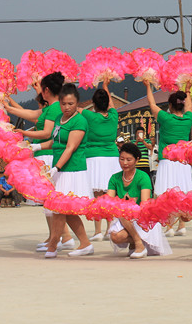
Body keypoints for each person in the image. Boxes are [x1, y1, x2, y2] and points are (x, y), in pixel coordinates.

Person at [11, 72, 73, 250]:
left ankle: (62, 237)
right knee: (47, 201)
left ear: (46, 90)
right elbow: (31, 114)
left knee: (50, 199)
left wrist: (24, 133)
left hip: (47, 154)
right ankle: (57, 236)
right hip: (43, 153)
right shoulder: (51, 107)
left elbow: (46, 133)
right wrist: (6, 105)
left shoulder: (54, 108)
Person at [32, 83, 94, 257]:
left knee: (61, 208)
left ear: (77, 103)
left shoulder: (80, 121)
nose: (67, 107)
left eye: (71, 104)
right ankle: (84, 243)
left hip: (72, 169)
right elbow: (54, 142)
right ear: (59, 102)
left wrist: (56, 168)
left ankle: (54, 243)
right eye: (64, 103)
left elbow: (70, 147)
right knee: (62, 209)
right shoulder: (59, 117)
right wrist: (35, 148)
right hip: (59, 168)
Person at [145, 80, 192, 236]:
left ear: (171, 106)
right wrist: (187, 91)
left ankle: (169, 226)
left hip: (167, 161)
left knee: (167, 194)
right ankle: (182, 226)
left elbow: (152, 105)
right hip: (184, 162)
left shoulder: (166, 118)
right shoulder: (188, 119)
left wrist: (148, 86)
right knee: (183, 193)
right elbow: (190, 107)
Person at [107, 142, 171, 259]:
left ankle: (138, 244)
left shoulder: (143, 177)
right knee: (116, 237)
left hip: (143, 218)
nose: (124, 163)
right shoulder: (115, 178)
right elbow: (108, 201)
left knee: (123, 209)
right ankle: (136, 242)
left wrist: (129, 203)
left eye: (128, 159)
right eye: (122, 159)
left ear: (137, 160)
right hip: (125, 218)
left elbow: (145, 204)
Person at [81, 80, 121, 241]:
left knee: (96, 196)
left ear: (93, 103)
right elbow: (111, 103)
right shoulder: (113, 115)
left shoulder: (89, 115)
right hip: (112, 158)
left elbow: (73, 108)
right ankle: (109, 228)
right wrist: (105, 85)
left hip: (93, 158)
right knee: (109, 194)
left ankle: (97, 231)